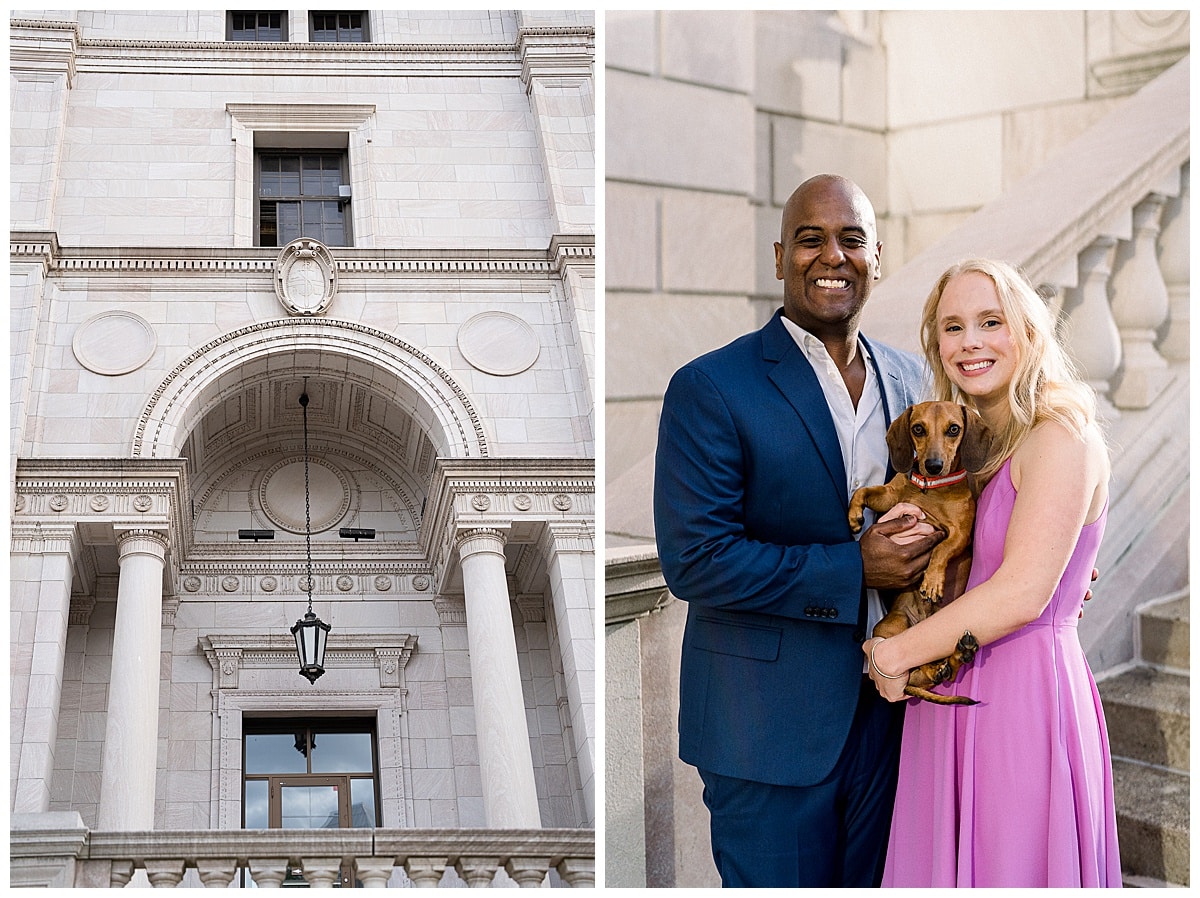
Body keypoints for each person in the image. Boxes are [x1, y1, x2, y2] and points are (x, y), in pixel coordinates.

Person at [653, 173, 942, 887]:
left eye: (852, 240)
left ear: (877, 256)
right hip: (767, 738)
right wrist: (855, 569)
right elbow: (696, 559)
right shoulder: (712, 386)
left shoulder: (913, 379)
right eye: (811, 240)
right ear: (781, 257)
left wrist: (1044, 564)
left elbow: (963, 496)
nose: (832, 257)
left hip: (897, 715)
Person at [864, 258, 1121, 887]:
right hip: (948, 690)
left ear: (1028, 333)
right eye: (952, 328)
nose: (971, 342)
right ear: (937, 347)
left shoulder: (1060, 436)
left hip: (1021, 698)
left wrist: (893, 655)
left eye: (990, 321)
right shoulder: (972, 453)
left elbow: (1025, 593)